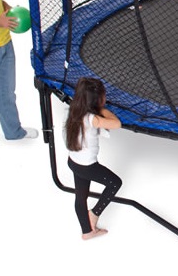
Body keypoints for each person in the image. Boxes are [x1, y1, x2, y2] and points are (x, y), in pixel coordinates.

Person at [64, 77, 122, 240]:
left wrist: (95, 107)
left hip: (73, 161)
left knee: (80, 196)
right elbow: (116, 123)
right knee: (115, 183)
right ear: (95, 102)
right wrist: (100, 109)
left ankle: (87, 232)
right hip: (86, 166)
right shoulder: (92, 119)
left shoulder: (73, 109)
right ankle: (94, 214)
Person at [0, 0, 38, 140]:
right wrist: (0, 22)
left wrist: (10, 11)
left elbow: (1, 1)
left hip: (5, 43)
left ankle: (13, 132)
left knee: (6, 92)